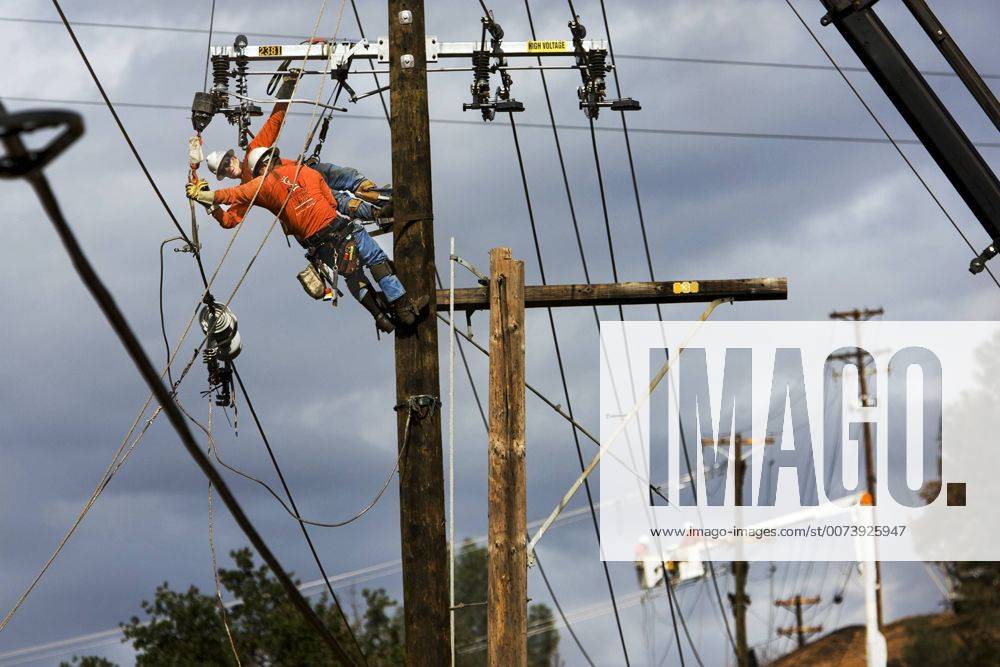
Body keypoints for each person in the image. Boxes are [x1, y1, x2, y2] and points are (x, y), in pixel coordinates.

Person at [187, 145, 425, 334]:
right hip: (340, 229)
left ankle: (381, 318)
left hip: (320, 245)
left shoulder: (259, 186)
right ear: (274, 158)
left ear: (258, 168)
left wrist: (204, 197)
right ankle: (403, 308)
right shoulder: (307, 171)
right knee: (376, 260)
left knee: (353, 276)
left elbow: (230, 195)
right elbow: (332, 202)